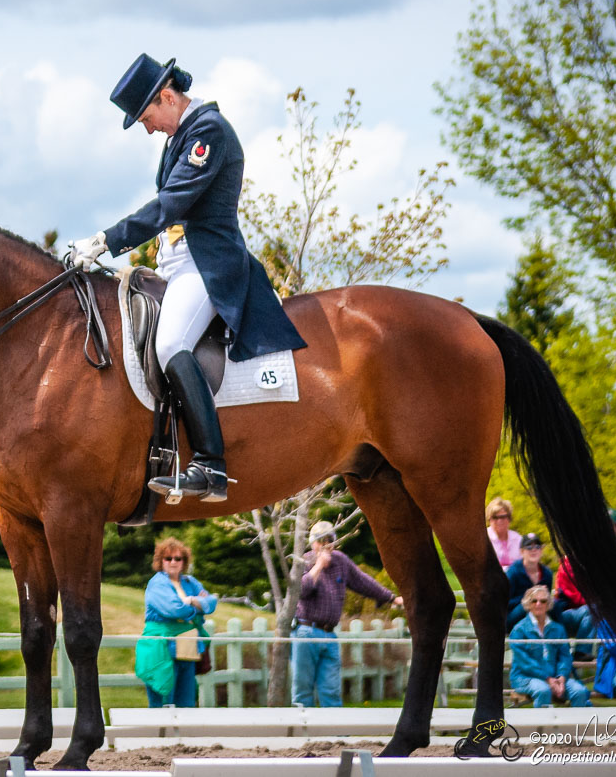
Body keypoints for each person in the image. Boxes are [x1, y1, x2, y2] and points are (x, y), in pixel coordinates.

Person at [69, 54, 307, 502]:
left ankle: (211, 466)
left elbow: (169, 207)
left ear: (166, 96)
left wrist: (106, 239)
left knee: (170, 342)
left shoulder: (208, 132)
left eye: (146, 117)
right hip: (174, 265)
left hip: (207, 265)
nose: (147, 128)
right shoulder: (180, 137)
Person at [291, 520, 403, 707]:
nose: (325, 545)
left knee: (331, 690)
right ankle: (302, 734)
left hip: (330, 634)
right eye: (321, 541)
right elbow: (301, 591)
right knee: (302, 690)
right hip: (306, 632)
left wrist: (392, 598)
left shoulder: (340, 561)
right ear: (313, 543)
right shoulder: (304, 561)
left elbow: (363, 582)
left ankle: (336, 734)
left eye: (329, 540)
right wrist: (318, 566)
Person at [134, 536, 218, 707]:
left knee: (187, 702)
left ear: (184, 561)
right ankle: (161, 734)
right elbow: (174, 609)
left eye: (178, 558)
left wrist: (191, 600)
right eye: (168, 558)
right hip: (161, 648)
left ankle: (184, 733)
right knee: (164, 701)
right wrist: (197, 606)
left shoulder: (190, 582)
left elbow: (212, 602)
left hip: (187, 648)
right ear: (160, 561)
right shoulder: (157, 584)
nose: (173, 562)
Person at [508, 585, 590, 708]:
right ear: (527, 604)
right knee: (543, 691)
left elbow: (565, 657)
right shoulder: (519, 630)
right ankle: (541, 726)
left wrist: (561, 677)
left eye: (543, 601)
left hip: (555, 676)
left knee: (579, 691)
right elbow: (524, 663)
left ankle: (577, 726)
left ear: (548, 604)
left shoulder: (558, 629)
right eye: (534, 601)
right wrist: (548, 679)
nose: (538, 604)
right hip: (525, 677)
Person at [505, 533, 555, 629]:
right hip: (514, 614)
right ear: (522, 551)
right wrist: (528, 597)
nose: (534, 550)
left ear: (541, 550)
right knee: (528, 606)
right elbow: (505, 603)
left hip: (540, 611)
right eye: (529, 547)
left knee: (555, 607)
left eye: (537, 547)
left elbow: (546, 602)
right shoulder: (513, 572)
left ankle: (559, 638)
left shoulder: (547, 573)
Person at [551, 556, 596, 661]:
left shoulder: (592, 566)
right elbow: (574, 597)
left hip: (588, 617)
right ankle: (581, 651)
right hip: (565, 615)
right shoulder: (565, 567)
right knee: (592, 609)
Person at [486, 497, 522, 570]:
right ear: (489, 519)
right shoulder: (484, 538)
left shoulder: (518, 538)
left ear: (509, 518)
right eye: (495, 518)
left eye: (502, 517)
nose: (499, 521)